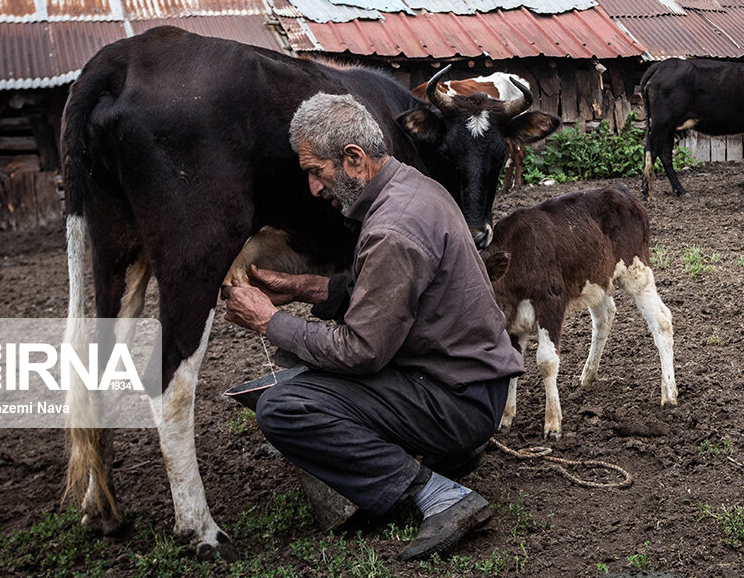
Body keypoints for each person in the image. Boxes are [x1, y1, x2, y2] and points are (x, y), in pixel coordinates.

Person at [223, 92, 523, 561]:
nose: (314, 189)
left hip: (457, 399)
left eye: (315, 171)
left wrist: (269, 320)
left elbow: (361, 350)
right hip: (470, 382)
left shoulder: (391, 230)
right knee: (303, 361)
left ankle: (437, 495)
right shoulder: (411, 188)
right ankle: (454, 455)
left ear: (353, 159)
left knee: (284, 406)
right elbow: (380, 292)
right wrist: (302, 288)